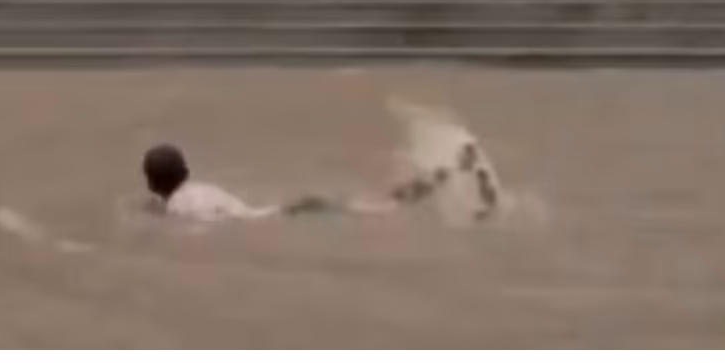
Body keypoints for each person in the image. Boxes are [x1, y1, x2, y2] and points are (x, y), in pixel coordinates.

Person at [141, 136, 502, 225]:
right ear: (185, 172)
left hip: (284, 218)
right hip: (286, 210)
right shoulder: (198, 189)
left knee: (382, 209)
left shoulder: (179, 207)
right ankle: (451, 168)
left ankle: (452, 169)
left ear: (152, 183)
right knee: (381, 204)